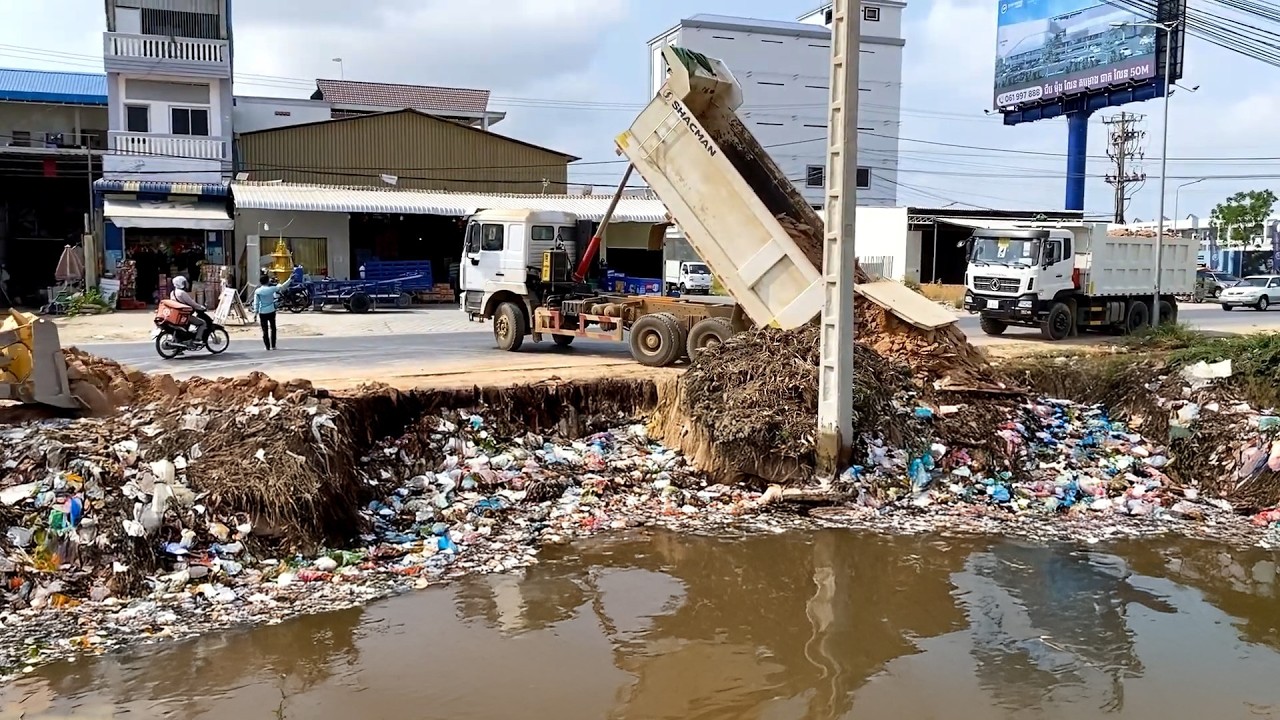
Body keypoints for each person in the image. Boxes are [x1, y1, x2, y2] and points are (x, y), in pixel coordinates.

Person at [252, 272, 293, 350]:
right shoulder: (272, 289)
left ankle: (267, 346)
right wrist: (289, 279)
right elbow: (282, 287)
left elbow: (256, 303)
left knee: (265, 330)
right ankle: (273, 345)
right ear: (267, 281)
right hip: (271, 310)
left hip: (262, 312)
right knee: (273, 328)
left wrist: (255, 313)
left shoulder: (257, 291)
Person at [170, 276, 209, 346]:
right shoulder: (182, 293)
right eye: (184, 283)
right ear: (181, 283)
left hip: (177, 315)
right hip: (184, 315)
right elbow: (192, 303)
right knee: (203, 323)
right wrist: (201, 307)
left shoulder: (172, 293)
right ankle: (197, 339)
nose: (186, 284)